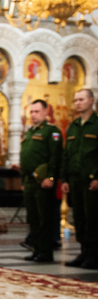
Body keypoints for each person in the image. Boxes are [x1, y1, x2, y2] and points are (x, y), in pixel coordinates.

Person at [18, 99, 62, 263]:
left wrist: (51, 178)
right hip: (29, 181)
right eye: (31, 112)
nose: (33, 115)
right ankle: (36, 249)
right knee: (33, 218)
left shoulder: (52, 132)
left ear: (45, 112)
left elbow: (55, 158)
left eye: (36, 111)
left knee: (45, 218)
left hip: (43, 182)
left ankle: (45, 252)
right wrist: (23, 180)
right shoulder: (29, 132)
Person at [62, 89, 98, 269]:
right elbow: (66, 155)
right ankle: (84, 252)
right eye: (75, 100)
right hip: (75, 180)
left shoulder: (96, 125)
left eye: (82, 99)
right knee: (80, 218)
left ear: (92, 100)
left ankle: (93, 255)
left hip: (91, 181)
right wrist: (65, 179)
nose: (78, 103)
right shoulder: (73, 127)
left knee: (93, 218)